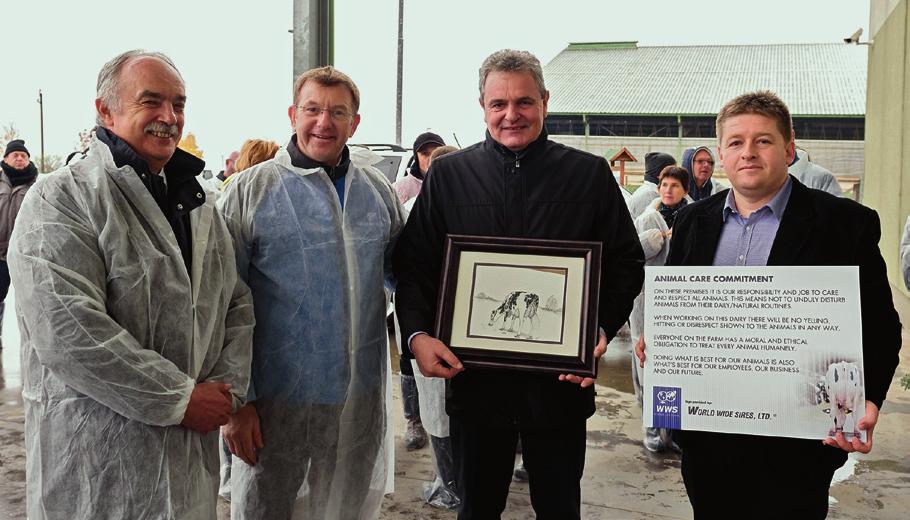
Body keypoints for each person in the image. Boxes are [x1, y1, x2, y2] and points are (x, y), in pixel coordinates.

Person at [393, 49, 644, 519]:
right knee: (478, 508)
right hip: (475, 383)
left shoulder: (587, 175)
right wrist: (416, 335)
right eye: (499, 104)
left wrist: (602, 328)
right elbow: (416, 265)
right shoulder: (449, 175)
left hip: (560, 385)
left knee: (559, 507)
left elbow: (626, 261)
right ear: (482, 106)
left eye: (524, 102)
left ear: (545, 102)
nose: (512, 115)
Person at [8, 49, 254, 520]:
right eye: (151, 101)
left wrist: (227, 388)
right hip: (97, 468)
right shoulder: (63, 198)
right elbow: (67, 329)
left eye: (178, 104)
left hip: (187, 461)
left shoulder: (198, 206)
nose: (169, 117)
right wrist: (179, 399)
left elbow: (236, 303)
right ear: (105, 110)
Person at [636, 90, 902, 519]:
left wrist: (868, 400)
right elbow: (680, 304)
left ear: (789, 147)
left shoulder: (844, 224)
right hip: (708, 440)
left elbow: (881, 326)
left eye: (763, 140)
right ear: (721, 153)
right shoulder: (691, 222)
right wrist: (663, 336)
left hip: (796, 449)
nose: (749, 153)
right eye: (736, 142)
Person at [218, 65, 405, 520]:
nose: (324, 122)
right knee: (269, 504)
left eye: (338, 112)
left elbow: (407, 274)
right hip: (276, 398)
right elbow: (222, 301)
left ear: (355, 122)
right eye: (313, 109)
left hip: (357, 395)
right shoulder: (251, 190)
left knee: (346, 501)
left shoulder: (377, 191)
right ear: (292, 114)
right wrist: (236, 404)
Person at [214, 137, 280, 502]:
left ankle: (227, 474)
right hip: (247, 359)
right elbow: (229, 298)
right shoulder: (240, 198)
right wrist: (237, 405)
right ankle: (228, 473)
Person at [630, 165, 689, 453]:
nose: (668, 190)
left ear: (685, 191)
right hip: (645, 300)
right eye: (664, 184)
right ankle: (652, 429)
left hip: (678, 302)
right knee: (647, 365)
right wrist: (657, 238)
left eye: (675, 186)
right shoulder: (647, 218)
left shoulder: (693, 218)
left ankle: (671, 430)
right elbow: (634, 253)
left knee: (674, 367)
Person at [0, 139, 38, 337]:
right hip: (0, 254)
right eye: (16, 155)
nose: (20, 158)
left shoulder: (37, 185)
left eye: (24, 155)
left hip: (27, 253)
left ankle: (33, 338)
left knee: (31, 298)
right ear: (6, 159)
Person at [393, 131, 446, 205]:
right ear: (416, 158)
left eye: (436, 153)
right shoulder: (401, 188)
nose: (431, 158)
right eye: (425, 153)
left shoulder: (455, 184)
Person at [626, 151, 675, 218]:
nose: (676, 175)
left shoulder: (653, 190)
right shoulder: (649, 195)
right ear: (660, 173)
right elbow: (648, 225)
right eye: (673, 170)